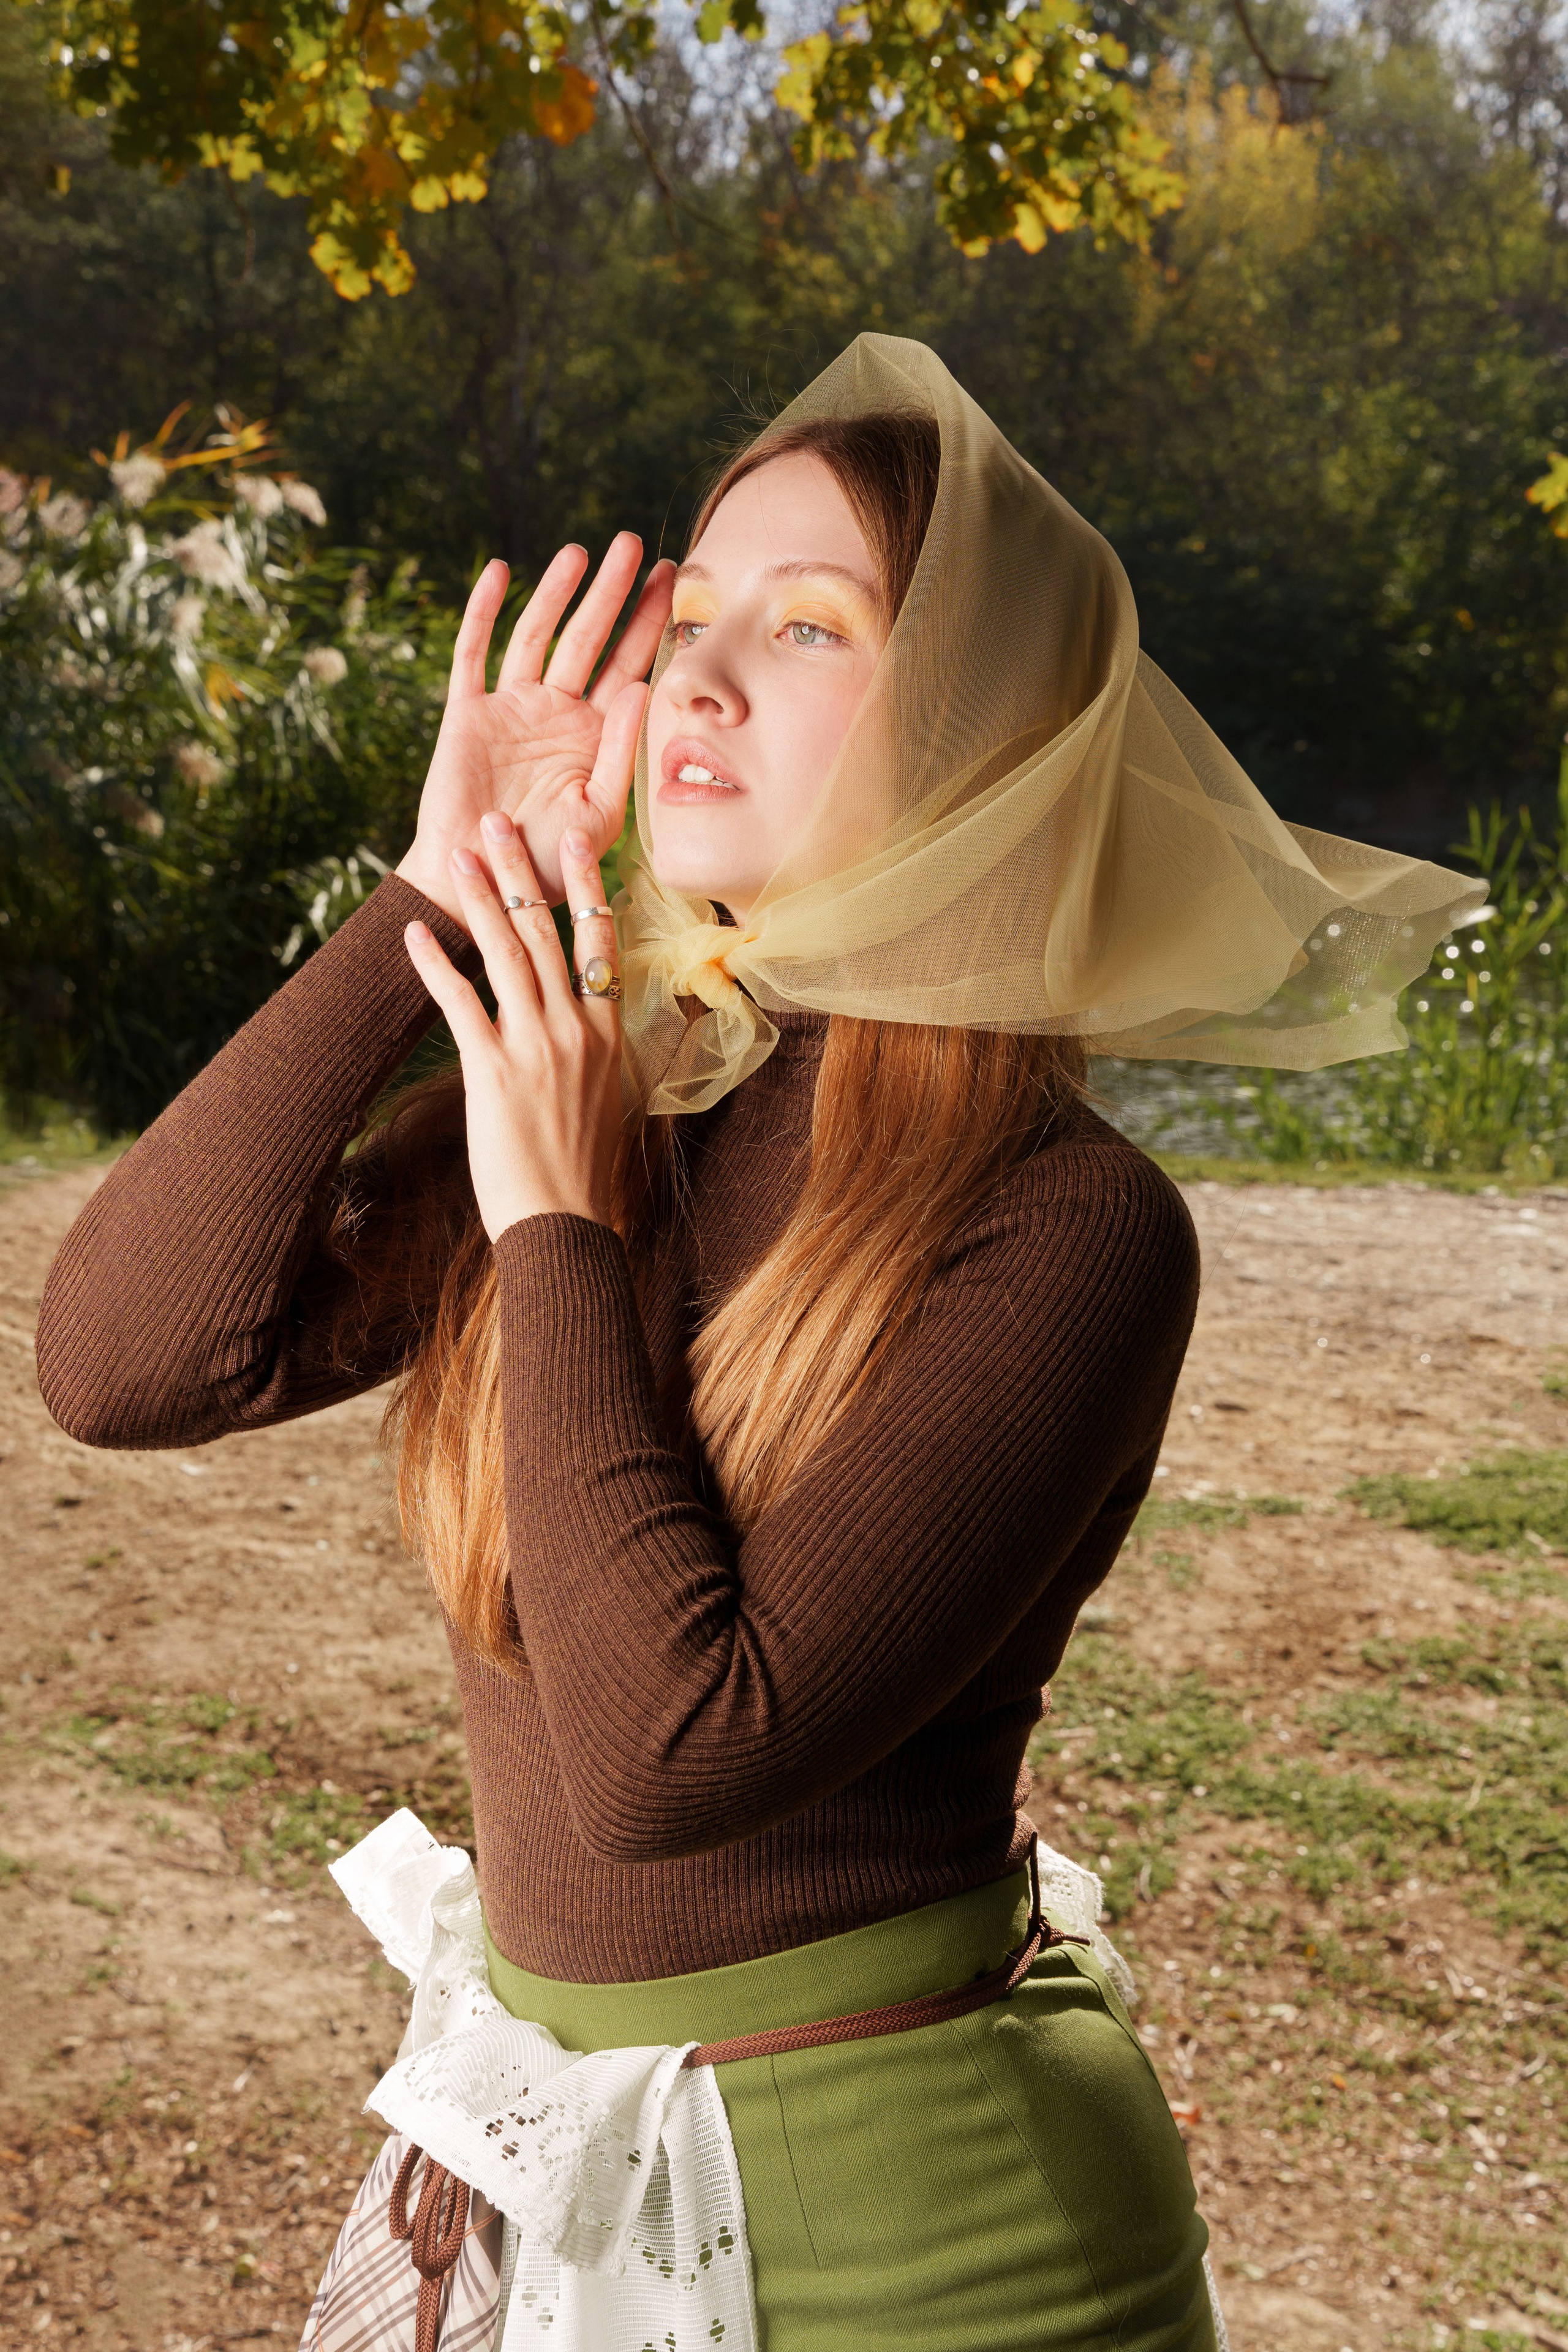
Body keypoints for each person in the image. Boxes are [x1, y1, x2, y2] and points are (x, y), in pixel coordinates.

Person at [36, 336, 1480, 2351]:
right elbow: (122, 1366)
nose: (696, 675)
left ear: (982, 741)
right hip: (550, 2177)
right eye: (688, 617)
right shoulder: (621, 1090)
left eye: (808, 630)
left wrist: (550, 1219)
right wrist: (432, 898)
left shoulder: (1065, 1225)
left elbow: (665, 1757)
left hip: (923, 2242)